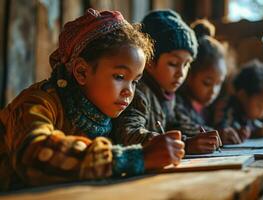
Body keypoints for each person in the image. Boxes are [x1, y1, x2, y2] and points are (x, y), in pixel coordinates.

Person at [0, 8, 185, 191]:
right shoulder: (38, 103)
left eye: (135, 81)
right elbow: (35, 155)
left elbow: (132, 140)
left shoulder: (105, 112)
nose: (129, 92)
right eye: (119, 77)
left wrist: (171, 145)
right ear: (81, 72)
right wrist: (135, 158)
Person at [113, 10, 221, 154]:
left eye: (186, 64)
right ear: (149, 62)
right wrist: (185, 144)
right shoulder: (137, 93)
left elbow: (176, 124)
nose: (181, 73)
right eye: (173, 63)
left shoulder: (167, 95)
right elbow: (128, 134)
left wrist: (211, 136)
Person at [176, 19, 242, 145]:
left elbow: (225, 122)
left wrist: (232, 130)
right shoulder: (178, 103)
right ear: (189, 75)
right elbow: (182, 127)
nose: (213, 91)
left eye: (218, 84)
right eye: (207, 83)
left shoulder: (213, 107)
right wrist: (218, 134)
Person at [214, 59, 263, 139]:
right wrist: (254, 133)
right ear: (243, 95)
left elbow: (258, 127)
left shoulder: (248, 116)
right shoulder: (226, 106)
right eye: (260, 106)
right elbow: (222, 130)